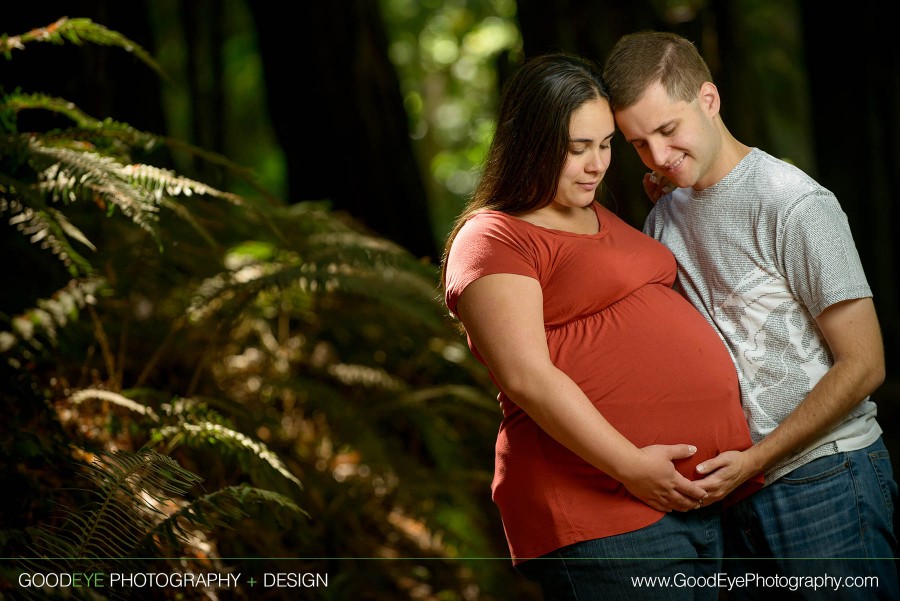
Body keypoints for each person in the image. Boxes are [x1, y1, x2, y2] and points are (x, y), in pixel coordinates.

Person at [440, 52, 760, 601]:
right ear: (530, 143)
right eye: (576, 148)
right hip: (600, 509)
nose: (596, 165)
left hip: (696, 499)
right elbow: (527, 377)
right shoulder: (494, 237)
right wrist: (632, 466)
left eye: (606, 144)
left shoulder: (602, 214)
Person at [603, 31, 899, 599]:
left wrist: (755, 458)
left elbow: (864, 364)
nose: (660, 155)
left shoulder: (793, 201)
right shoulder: (663, 217)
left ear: (708, 100)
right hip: (733, 498)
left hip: (825, 478)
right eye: (640, 143)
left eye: (669, 130)